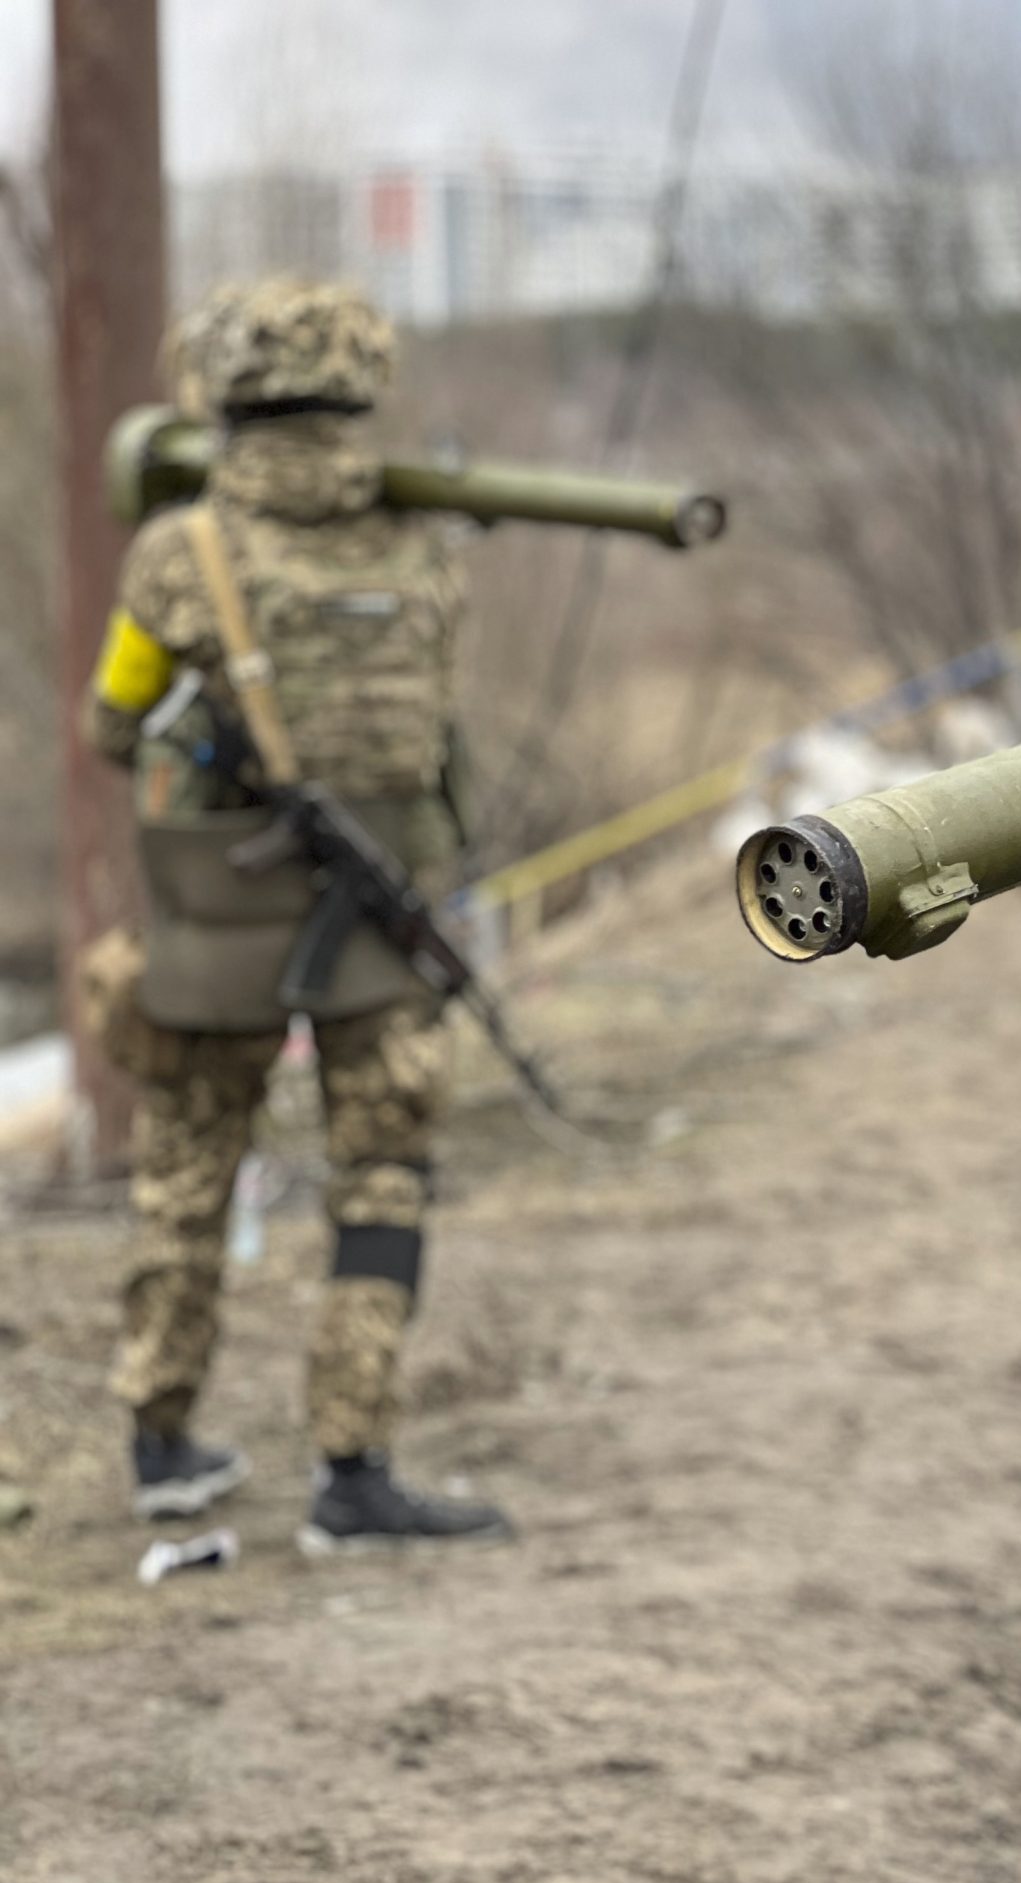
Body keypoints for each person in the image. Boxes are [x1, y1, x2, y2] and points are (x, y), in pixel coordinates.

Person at [78, 279, 510, 1552]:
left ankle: (160, 1445)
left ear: (221, 389)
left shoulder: (181, 553)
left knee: (186, 1180)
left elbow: (114, 722)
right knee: (381, 1184)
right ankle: (353, 1468)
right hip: (380, 921)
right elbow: (430, 734)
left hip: (220, 922)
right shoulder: (420, 545)